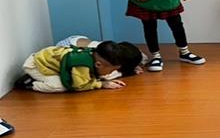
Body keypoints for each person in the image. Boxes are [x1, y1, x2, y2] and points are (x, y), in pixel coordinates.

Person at [14, 40, 142, 93]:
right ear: (98, 64)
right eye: (111, 70)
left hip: (50, 61)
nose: (110, 73)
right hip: (37, 66)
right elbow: (78, 86)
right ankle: (30, 83)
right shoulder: (81, 65)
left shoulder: (94, 56)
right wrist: (100, 84)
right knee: (60, 86)